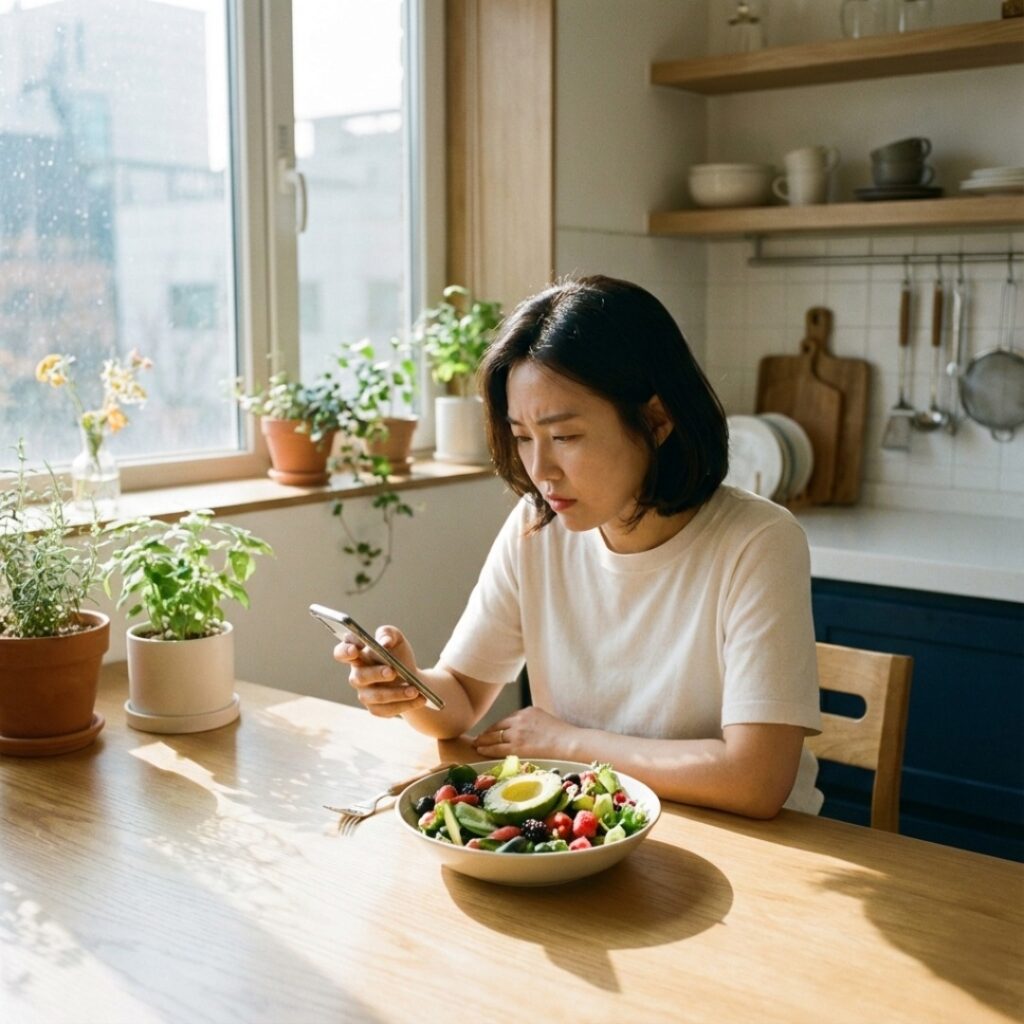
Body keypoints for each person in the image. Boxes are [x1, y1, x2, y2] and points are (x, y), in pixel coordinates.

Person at [336, 275, 822, 818]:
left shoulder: (758, 542)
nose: (540, 472)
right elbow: (462, 698)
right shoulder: (536, 528)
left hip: (750, 849)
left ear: (656, 420)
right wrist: (410, 688)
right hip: (598, 831)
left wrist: (567, 744)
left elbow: (755, 781)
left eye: (564, 436)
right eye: (522, 437)